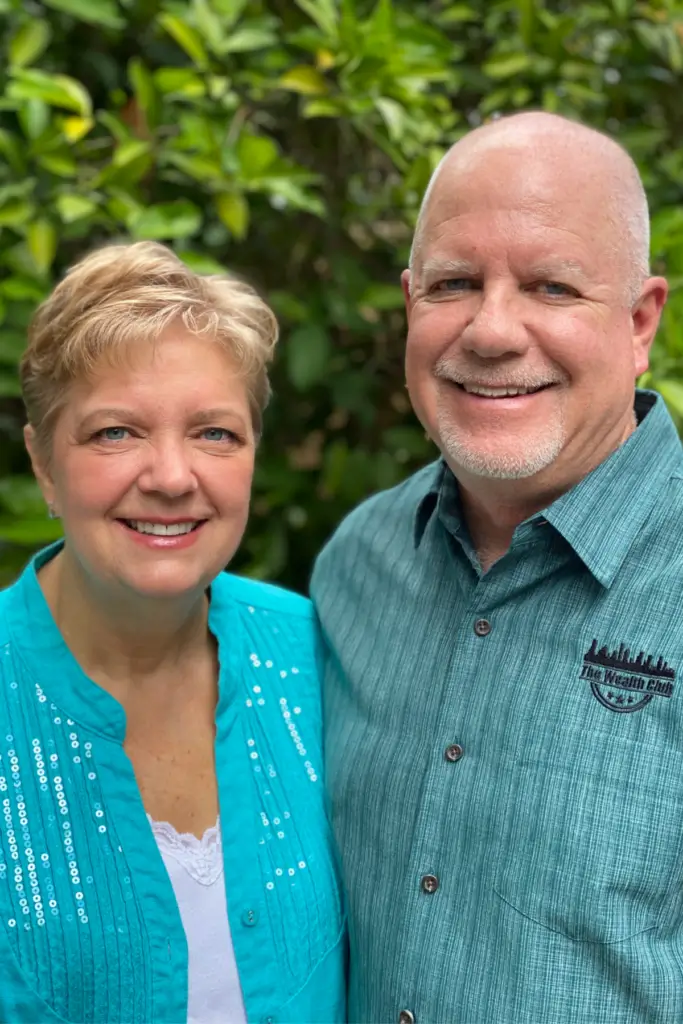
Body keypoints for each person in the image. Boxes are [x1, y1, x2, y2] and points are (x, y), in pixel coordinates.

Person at [311, 111, 681, 1023]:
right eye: (454, 284)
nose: (490, 330)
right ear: (409, 304)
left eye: (551, 287)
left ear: (638, 323)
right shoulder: (355, 565)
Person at [0, 242, 345, 1024]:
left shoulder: (323, 658)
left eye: (215, 434)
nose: (170, 476)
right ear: (44, 466)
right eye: (115, 432)